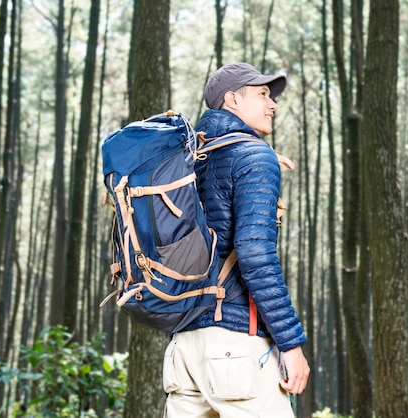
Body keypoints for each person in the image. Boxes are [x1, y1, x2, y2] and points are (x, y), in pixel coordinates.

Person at [163, 62, 310, 418]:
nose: (273, 103)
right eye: (262, 94)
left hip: (184, 348)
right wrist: (290, 343)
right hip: (236, 350)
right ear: (232, 100)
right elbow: (254, 252)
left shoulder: (188, 160)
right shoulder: (254, 155)